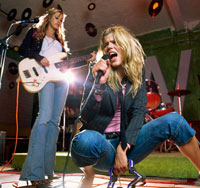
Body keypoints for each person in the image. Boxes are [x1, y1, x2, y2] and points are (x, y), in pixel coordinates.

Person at [71, 25, 200, 188]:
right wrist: (99, 86)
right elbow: (86, 117)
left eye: (114, 42)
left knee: (175, 121)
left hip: (128, 142)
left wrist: (122, 148)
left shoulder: (137, 72)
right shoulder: (97, 71)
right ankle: (88, 173)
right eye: (106, 44)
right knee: (84, 141)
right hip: (101, 143)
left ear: (126, 45)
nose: (109, 46)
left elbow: (139, 112)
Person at [18, 7, 70, 186]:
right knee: (44, 118)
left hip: (62, 81)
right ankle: (34, 172)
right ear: (48, 17)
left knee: (55, 123)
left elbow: (64, 64)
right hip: (44, 79)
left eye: (61, 20)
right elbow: (22, 50)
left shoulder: (60, 40)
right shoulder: (35, 33)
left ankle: (48, 169)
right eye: (57, 18)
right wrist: (40, 58)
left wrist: (85, 60)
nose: (59, 22)